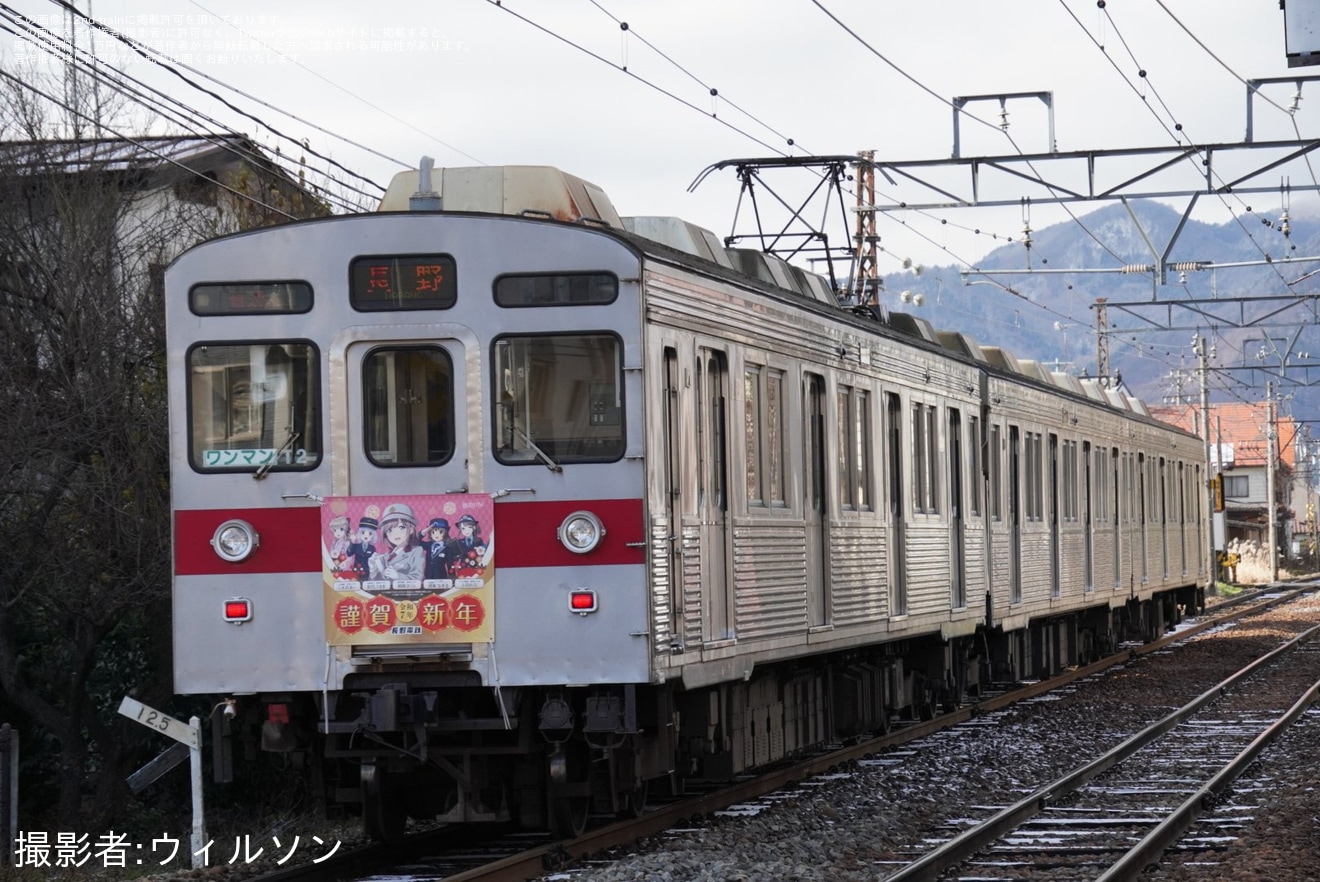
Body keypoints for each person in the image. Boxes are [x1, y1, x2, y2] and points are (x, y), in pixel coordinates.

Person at [369, 502, 424, 582]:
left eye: (401, 527)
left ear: (411, 529)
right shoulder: (386, 556)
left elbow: (418, 578)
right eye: (389, 530)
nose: (395, 534)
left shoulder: (416, 551)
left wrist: (398, 576)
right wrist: (373, 570)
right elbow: (375, 584)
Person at [345, 508, 379, 579]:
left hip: (367, 573)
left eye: (370, 534)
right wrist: (352, 542)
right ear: (360, 534)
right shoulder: (356, 546)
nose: (366, 536)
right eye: (363, 533)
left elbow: (373, 561)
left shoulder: (372, 548)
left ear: (373, 536)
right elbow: (349, 553)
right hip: (356, 572)